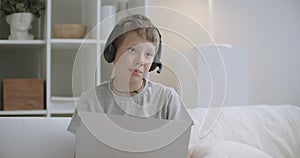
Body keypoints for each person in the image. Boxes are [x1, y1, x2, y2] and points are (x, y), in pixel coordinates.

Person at [67, 15, 192, 157]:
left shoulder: (168, 98)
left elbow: (184, 153)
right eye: (132, 50)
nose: (140, 60)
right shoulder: (90, 100)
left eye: (149, 54)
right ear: (112, 52)